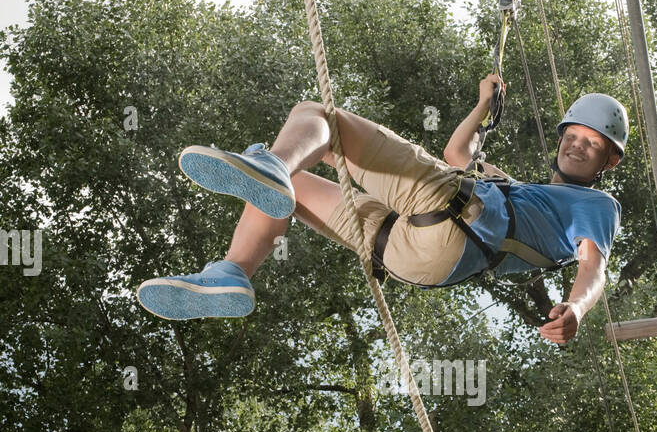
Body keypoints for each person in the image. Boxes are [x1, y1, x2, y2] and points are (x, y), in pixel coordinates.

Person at [136, 77, 627, 346]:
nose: (577, 146)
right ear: (561, 137)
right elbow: (459, 155)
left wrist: (576, 308)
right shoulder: (525, 196)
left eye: (592, 143)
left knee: (319, 117)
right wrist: (482, 107)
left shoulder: (596, 207)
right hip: (417, 257)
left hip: (457, 212)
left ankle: (270, 163)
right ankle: (232, 273)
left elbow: (593, 268)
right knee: (294, 188)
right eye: (572, 135)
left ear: (609, 160)